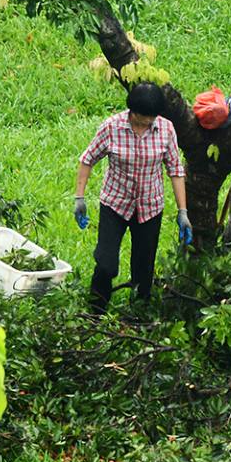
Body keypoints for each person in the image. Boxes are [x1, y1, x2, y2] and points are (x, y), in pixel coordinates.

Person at [73, 82, 191, 311]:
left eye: (152, 117)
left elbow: (175, 170)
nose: (148, 122)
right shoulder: (111, 127)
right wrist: (80, 197)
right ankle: (95, 313)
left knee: (143, 267)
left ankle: (137, 316)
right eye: (144, 117)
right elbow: (87, 159)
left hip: (149, 207)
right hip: (115, 204)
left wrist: (182, 211)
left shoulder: (165, 129)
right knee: (106, 264)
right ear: (132, 111)